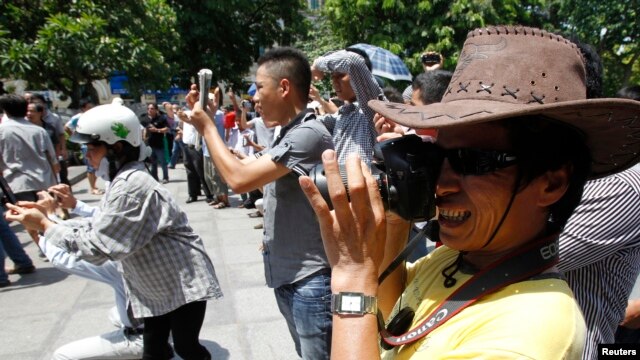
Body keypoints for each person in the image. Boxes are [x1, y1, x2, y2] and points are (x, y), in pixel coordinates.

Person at [298, 25, 640, 358]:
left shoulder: (529, 330)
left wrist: (352, 281)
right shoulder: (459, 257)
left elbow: (369, 300)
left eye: (472, 161)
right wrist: (400, 212)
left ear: (551, 183)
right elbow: (393, 309)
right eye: (438, 156)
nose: (441, 183)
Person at [5, 103, 223, 359]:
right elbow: (103, 225)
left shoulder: (132, 187)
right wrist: (57, 215)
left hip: (184, 283)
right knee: (155, 350)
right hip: (157, 287)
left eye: (91, 147)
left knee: (187, 347)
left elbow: (98, 246)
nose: (86, 155)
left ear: (116, 147)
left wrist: (44, 224)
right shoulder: (121, 180)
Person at [182, 46, 334, 359]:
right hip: (292, 277)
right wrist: (207, 119)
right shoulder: (289, 132)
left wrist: (208, 126)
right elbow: (247, 168)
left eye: (259, 87)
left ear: (284, 87)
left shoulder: (308, 133)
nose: (254, 97)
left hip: (312, 282)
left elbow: (239, 179)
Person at [0, 94, 59, 250]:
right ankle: (56, 246)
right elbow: (52, 158)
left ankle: (46, 249)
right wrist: (56, 181)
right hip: (44, 180)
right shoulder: (38, 130)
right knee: (47, 216)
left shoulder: (2, 131)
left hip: (19, 183)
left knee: (28, 220)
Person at [312, 47, 385, 164]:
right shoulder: (341, 116)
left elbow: (351, 61)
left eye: (340, 75)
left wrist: (317, 64)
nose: (334, 81)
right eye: (333, 76)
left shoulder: (372, 108)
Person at [65, 99, 102, 195]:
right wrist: (75, 138)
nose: (92, 109)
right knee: (91, 167)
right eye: (89, 107)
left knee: (97, 166)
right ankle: (92, 188)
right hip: (86, 145)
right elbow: (66, 127)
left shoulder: (95, 116)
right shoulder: (79, 117)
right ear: (83, 108)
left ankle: (94, 185)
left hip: (95, 143)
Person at [143, 103, 172, 184]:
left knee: (163, 162)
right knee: (153, 163)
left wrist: (157, 130)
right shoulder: (145, 119)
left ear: (156, 110)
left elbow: (167, 129)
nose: (150, 110)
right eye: (148, 108)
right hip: (150, 144)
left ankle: (165, 177)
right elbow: (144, 129)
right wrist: (144, 137)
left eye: (152, 108)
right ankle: (154, 178)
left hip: (159, 144)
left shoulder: (161, 118)